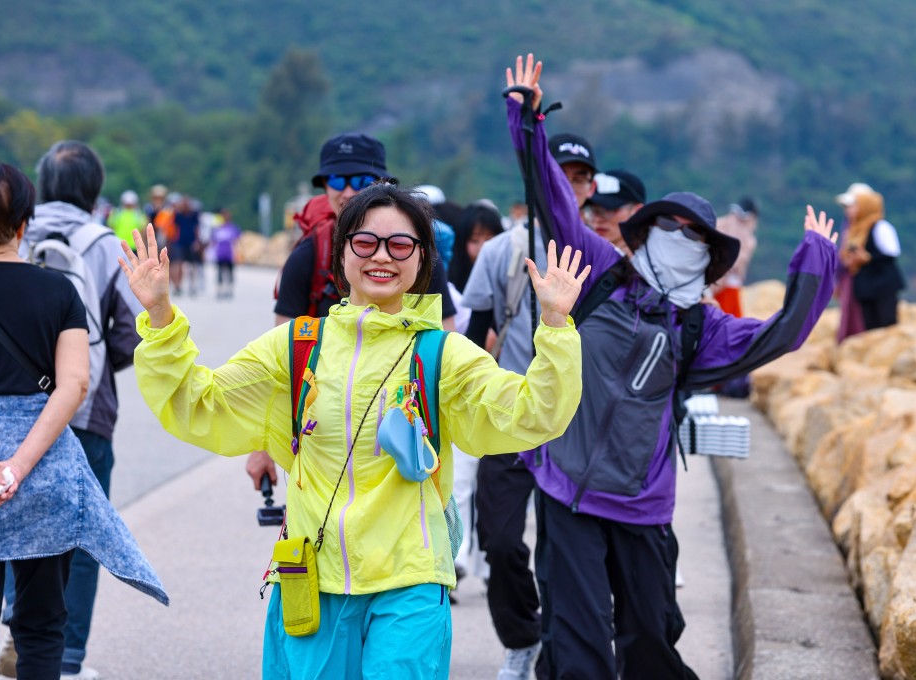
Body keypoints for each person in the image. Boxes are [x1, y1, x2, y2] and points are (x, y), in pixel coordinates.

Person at [120, 182, 589, 679]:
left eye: (400, 244)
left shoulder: (443, 354)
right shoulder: (297, 347)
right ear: (342, 254)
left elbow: (531, 414)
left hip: (409, 581)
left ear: (422, 259)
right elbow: (199, 403)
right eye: (365, 242)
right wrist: (160, 315)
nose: (382, 257)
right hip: (313, 581)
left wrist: (556, 325)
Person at [505, 53, 838, 679]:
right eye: (669, 228)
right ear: (646, 229)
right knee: (577, 652)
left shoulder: (700, 326)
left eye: (694, 236)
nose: (678, 241)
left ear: (708, 257)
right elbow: (551, 201)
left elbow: (779, 335)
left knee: (652, 644)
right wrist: (526, 119)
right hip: (567, 492)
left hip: (641, 505)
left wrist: (815, 263)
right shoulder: (597, 272)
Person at [0, 158, 166, 680]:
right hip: (44, 477)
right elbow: (76, 384)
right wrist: (18, 466)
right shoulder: (58, 292)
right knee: (41, 626)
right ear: (24, 225)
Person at [460, 131, 598, 680]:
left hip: (579, 428)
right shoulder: (503, 250)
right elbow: (474, 331)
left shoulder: (604, 254)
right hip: (510, 418)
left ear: (591, 188)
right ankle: (522, 637)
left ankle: (567, 647)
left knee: (571, 548)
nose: (568, 185)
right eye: (556, 173)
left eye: (579, 176)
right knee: (499, 540)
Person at [251, 133, 458, 494]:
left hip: (404, 434)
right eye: (336, 180)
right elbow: (279, 362)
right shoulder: (307, 256)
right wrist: (262, 446)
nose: (348, 191)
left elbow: (447, 341)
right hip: (324, 435)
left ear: (382, 185)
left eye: (361, 181)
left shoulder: (416, 252)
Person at [443, 201, 505, 596]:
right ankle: (458, 558)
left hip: (496, 393)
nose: (481, 248)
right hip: (461, 394)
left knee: (489, 489)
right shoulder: (448, 287)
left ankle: (477, 561)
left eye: (489, 238)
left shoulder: (511, 274)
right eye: (473, 240)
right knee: (461, 481)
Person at [839, 189, 904, 331]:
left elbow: (891, 253)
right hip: (865, 287)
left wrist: (868, 257)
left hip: (882, 285)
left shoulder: (880, 227)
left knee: (886, 323)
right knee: (869, 326)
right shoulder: (854, 230)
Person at [834, 182, 874, 342]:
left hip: (863, 283)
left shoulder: (872, 228)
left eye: (852, 205)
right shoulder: (848, 226)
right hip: (848, 279)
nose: (848, 210)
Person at [711, 196, 760, 317]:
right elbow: (736, 263)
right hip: (727, 286)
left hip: (712, 282)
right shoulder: (748, 238)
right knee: (728, 323)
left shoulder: (719, 224)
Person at [585, 169, 646, 256]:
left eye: (608, 210)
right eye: (592, 210)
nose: (598, 219)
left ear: (637, 211)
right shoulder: (579, 256)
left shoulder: (657, 261)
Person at [212, 208, 242, 300]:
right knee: (220, 273)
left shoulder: (233, 228)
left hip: (230, 254)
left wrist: (238, 253)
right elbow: (213, 241)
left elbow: (238, 241)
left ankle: (229, 289)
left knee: (230, 272)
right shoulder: (217, 228)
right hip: (220, 253)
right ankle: (220, 290)